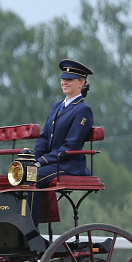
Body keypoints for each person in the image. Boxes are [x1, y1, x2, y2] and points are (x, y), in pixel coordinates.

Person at [32, 59, 95, 224]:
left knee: (32, 177)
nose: (64, 82)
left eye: (70, 79)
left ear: (81, 82)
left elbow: (71, 145)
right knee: (20, 174)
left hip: (69, 164)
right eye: (63, 79)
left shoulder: (83, 110)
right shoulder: (57, 106)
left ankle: (31, 230)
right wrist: (33, 160)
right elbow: (44, 138)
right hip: (53, 163)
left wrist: (41, 162)